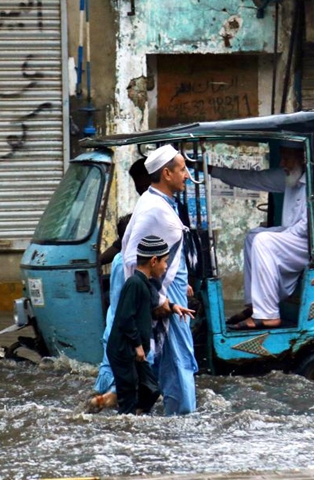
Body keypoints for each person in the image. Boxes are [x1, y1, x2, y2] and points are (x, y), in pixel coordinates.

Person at [191, 145, 308, 330]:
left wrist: (277, 237)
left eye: (287, 158)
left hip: (307, 245)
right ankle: (255, 306)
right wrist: (212, 170)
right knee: (254, 236)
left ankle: (268, 315)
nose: (282, 163)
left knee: (264, 241)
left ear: (302, 157)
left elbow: (304, 230)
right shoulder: (289, 177)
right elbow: (252, 179)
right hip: (292, 239)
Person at [122, 144, 199, 415]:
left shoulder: (156, 202)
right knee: (178, 362)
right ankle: (183, 423)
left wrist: (181, 279)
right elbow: (133, 260)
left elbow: (165, 256)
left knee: (160, 362)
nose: (187, 175)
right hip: (167, 303)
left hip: (171, 296)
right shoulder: (156, 210)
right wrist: (157, 299)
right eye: (182, 169)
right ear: (166, 174)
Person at [107, 235, 191, 415]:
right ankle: (125, 430)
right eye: (165, 262)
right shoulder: (135, 284)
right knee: (130, 398)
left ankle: (135, 426)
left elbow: (156, 304)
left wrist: (175, 307)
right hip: (125, 350)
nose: (166, 266)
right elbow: (125, 318)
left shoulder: (146, 283)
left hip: (134, 350)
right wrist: (138, 346)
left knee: (150, 391)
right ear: (154, 261)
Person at [88, 214, 133, 413]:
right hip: (124, 324)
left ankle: (98, 395)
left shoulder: (117, 259)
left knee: (109, 365)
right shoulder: (131, 263)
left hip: (112, 322)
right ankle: (111, 397)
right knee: (129, 370)